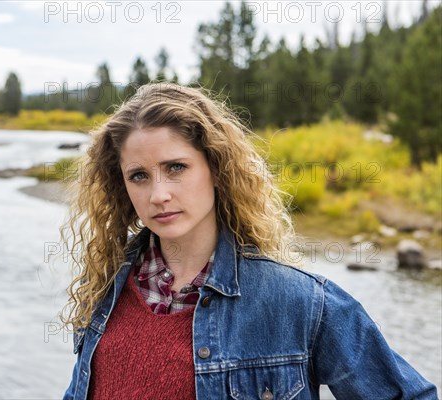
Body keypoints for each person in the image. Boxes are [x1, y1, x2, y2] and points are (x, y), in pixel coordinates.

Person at [60, 83, 437, 399]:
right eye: (139, 175)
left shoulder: (300, 302)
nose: (158, 194)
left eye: (176, 167)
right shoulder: (107, 287)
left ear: (216, 169)